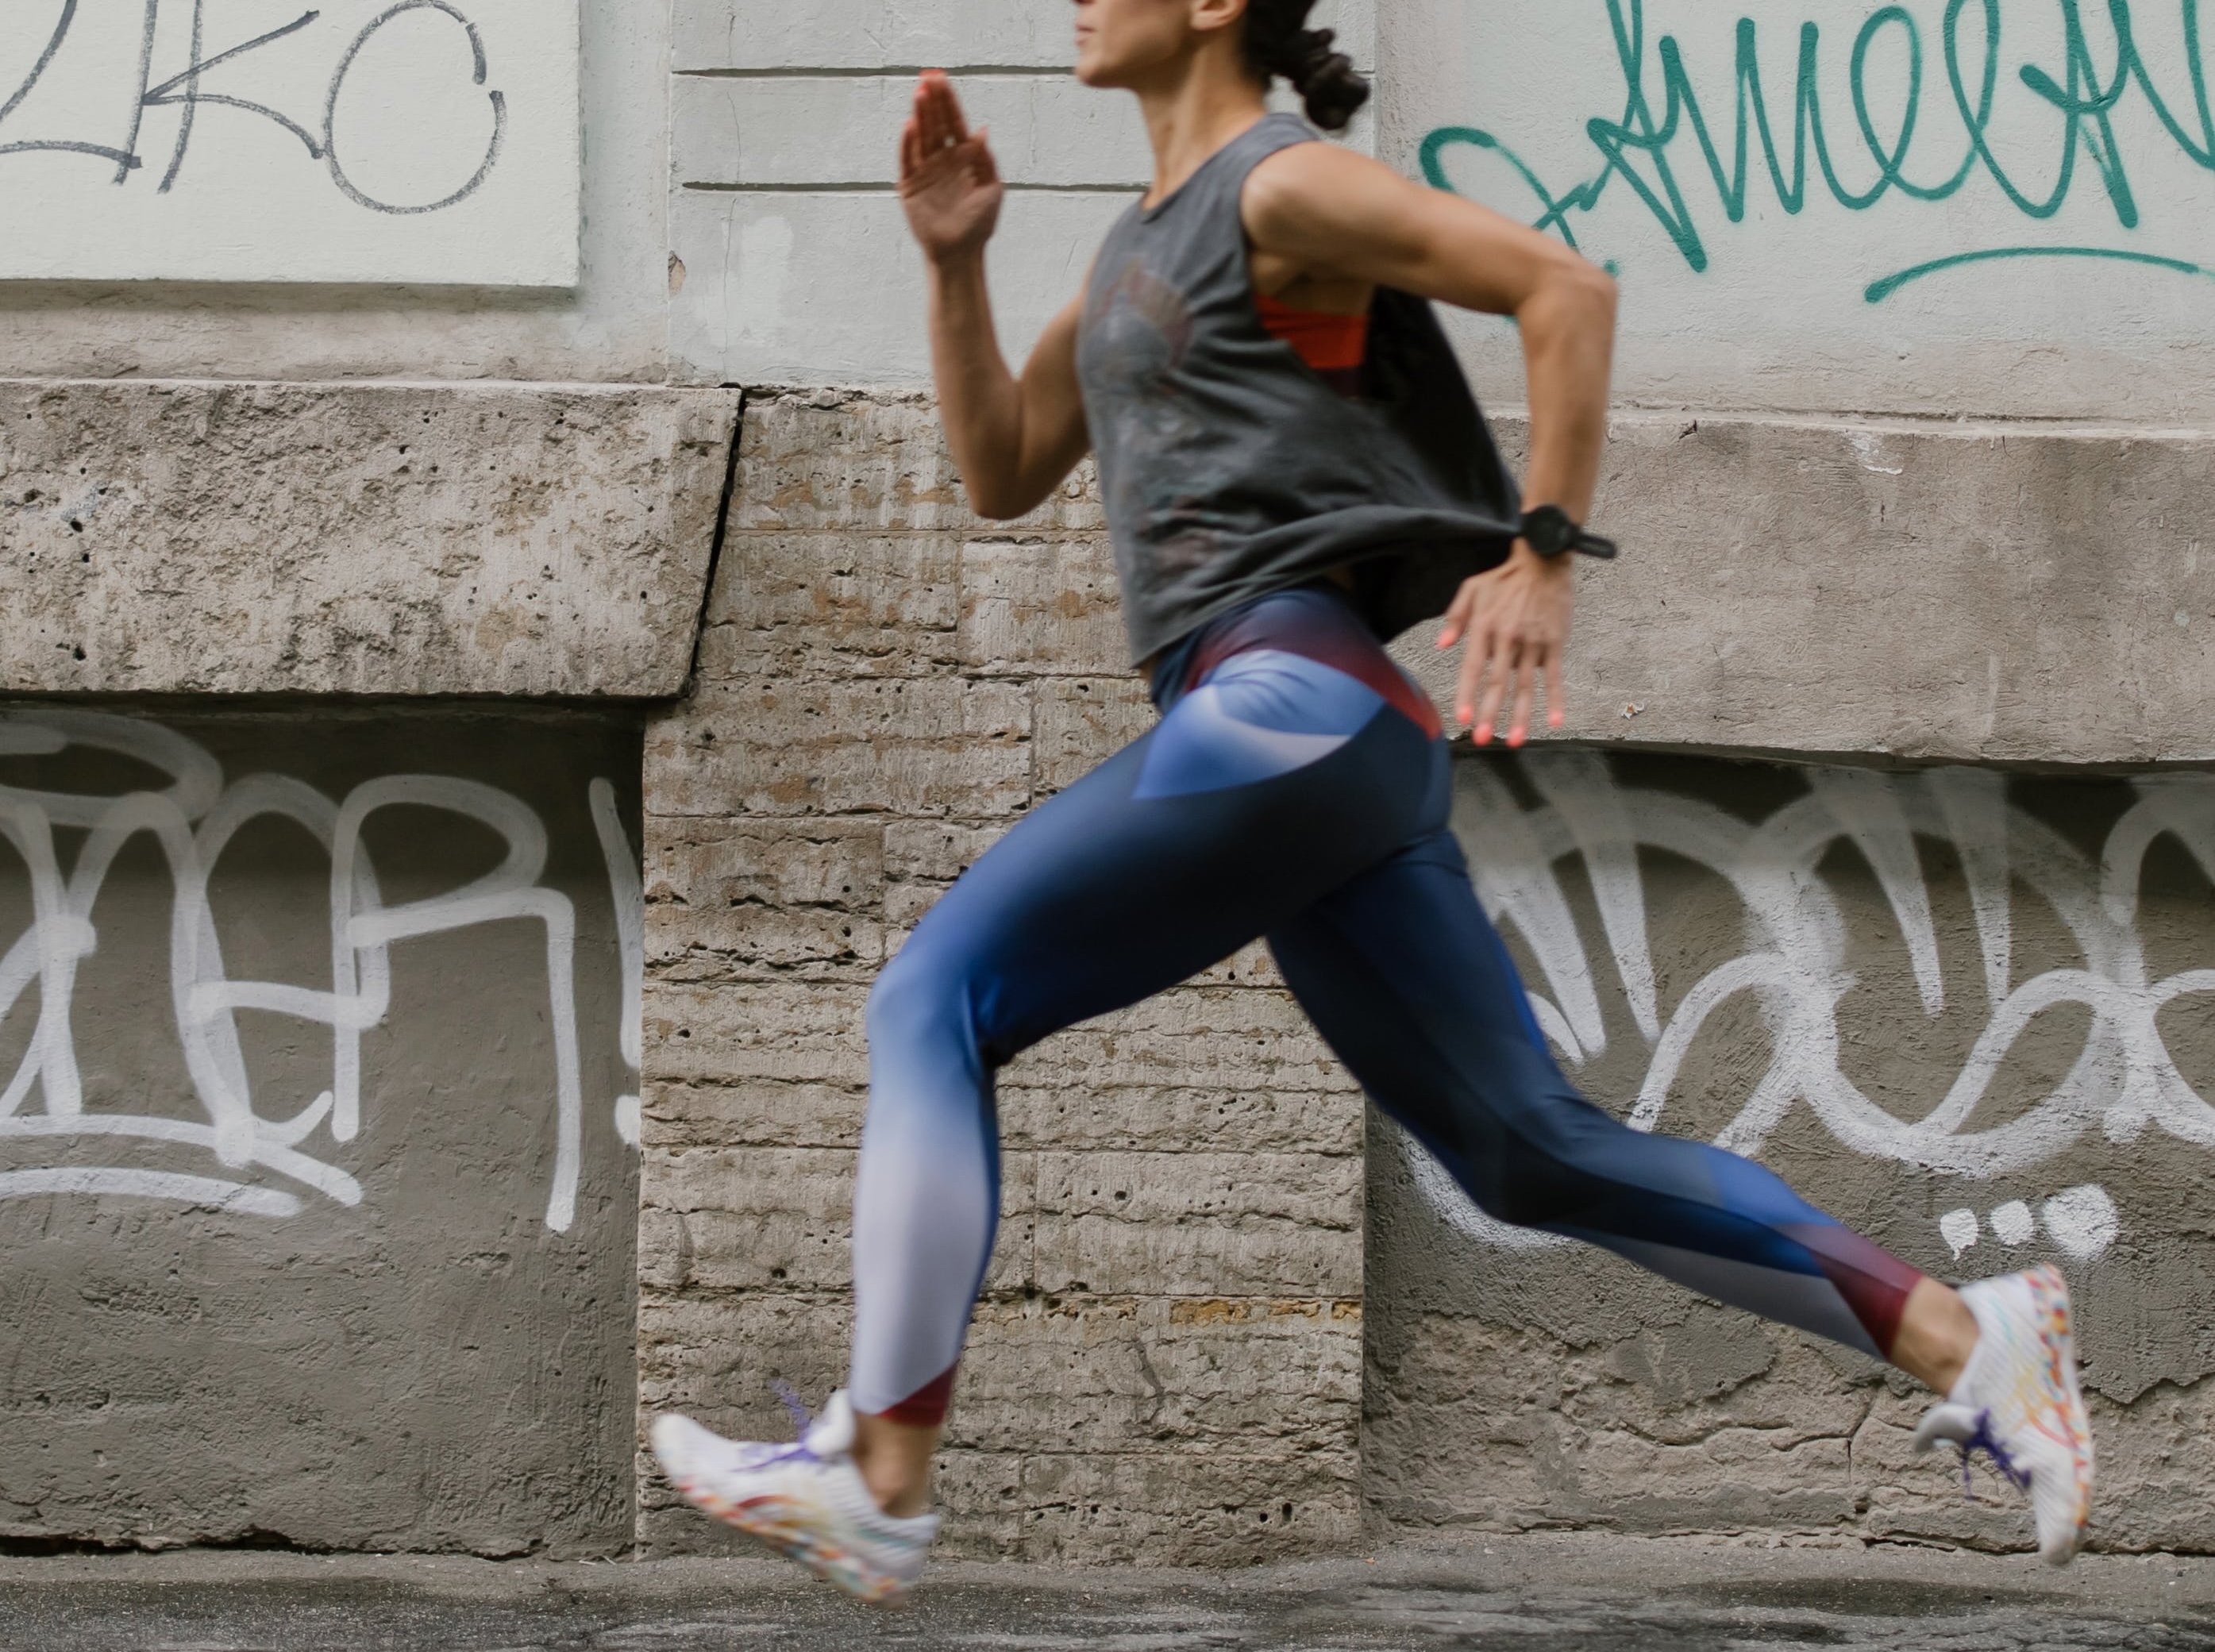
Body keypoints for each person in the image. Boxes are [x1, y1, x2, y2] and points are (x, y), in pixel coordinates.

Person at [650, 0, 2094, 1602]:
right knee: (1527, 1152)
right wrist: (950, 258)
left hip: (1289, 704)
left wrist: (1543, 548)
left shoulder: (1280, 190)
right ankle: (1977, 1337)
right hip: (1331, 750)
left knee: (937, 991)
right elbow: (1000, 468)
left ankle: (879, 1468)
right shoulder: (1132, 255)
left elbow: (1565, 288)